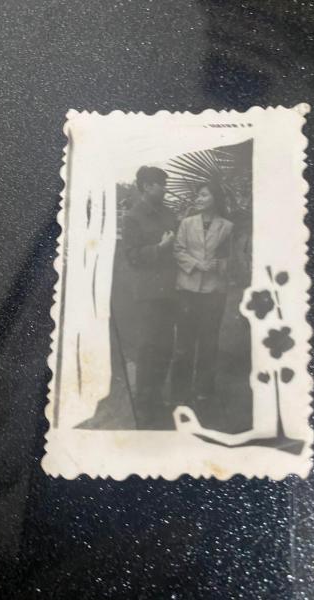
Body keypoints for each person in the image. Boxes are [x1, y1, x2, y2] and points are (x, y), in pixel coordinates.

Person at [121, 166, 177, 428]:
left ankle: (157, 399)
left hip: (170, 290)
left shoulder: (169, 214)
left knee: (166, 347)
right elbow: (132, 256)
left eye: (165, 184)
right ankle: (143, 405)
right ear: (146, 186)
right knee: (148, 348)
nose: (165, 188)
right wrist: (160, 247)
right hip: (148, 293)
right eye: (160, 184)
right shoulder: (132, 217)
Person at [172, 182, 234, 404]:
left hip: (214, 291)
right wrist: (198, 264)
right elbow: (178, 250)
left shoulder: (227, 226)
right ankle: (179, 391)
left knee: (209, 342)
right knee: (184, 342)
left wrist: (221, 265)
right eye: (198, 195)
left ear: (215, 198)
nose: (198, 198)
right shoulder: (187, 223)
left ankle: (204, 390)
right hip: (187, 289)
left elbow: (229, 258)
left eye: (204, 195)